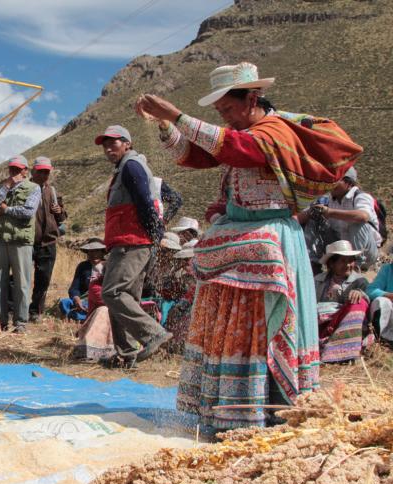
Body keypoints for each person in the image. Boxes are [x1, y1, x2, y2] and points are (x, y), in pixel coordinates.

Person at [136, 62, 362, 430]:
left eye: (227, 108)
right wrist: (166, 125)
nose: (224, 117)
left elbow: (239, 150)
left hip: (269, 237)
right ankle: (230, 403)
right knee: (235, 322)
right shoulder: (241, 131)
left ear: (252, 98)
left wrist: (177, 114)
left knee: (262, 323)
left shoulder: (274, 131)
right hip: (242, 235)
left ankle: (268, 402)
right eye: (220, 112)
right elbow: (198, 155)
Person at [95, 124, 170, 368]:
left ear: (127, 143)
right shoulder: (126, 167)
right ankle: (127, 355)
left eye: (113, 142)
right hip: (135, 240)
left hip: (132, 241)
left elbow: (144, 200)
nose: (108, 148)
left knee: (113, 292)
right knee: (126, 296)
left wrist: (152, 233)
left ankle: (152, 334)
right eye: (105, 144)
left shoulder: (131, 165)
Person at [0, 154, 41, 333]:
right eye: (12, 169)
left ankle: (20, 322)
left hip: (21, 241)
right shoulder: (3, 186)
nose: (14, 172)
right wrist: (6, 187)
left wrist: (7, 209)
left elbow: (28, 211)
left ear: (25, 171)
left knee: (22, 282)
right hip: (1, 239)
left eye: (18, 169)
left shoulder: (34, 188)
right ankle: (0, 320)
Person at [299, 167, 381, 271]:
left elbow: (363, 216)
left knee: (357, 223)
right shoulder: (329, 199)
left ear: (348, 183)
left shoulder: (360, 196)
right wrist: (312, 212)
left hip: (367, 252)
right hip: (342, 248)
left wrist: (330, 212)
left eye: (335, 181)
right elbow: (301, 217)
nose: (330, 185)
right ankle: (314, 263)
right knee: (314, 219)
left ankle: (356, 265)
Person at [314, 241, 371, 364]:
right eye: (343, 261)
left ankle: (344, 350)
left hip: (343, 323)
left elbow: (368, 301)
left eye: (350, 261)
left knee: (359, 303)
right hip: (321, 325)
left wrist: (360, 294)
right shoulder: (318, 280)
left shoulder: (360, 281)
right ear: (331, 264)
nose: (348, 265)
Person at [29, 156, 67, 321]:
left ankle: (36, 311)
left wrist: (59, 211)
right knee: (19, 277)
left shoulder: (52, 191)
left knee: (43, 279)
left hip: (48, 241)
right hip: (28, 242)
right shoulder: (26, 188)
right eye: (41, 171)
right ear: (33, 171)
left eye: (47, 172)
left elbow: (62, 217)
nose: (45, 175)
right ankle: (15, 309)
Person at [59, 237, 107, 322]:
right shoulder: (83, 266)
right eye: (91, 251)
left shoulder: (109, 266)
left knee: (104, 308)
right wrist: (76, 299)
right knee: (64, 302)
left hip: (101, 300)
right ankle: (88, 316)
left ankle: (84, 316)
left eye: (97, 251)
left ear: (103, 252)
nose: (94, 254)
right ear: (87, 253)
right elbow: (74, 288)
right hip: (85, 301)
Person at [368, 252, 393, 344]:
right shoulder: (388, 269)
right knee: (381, 301)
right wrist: (389, 295)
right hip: (390, 318)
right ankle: (380, 336)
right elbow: (371, 291)